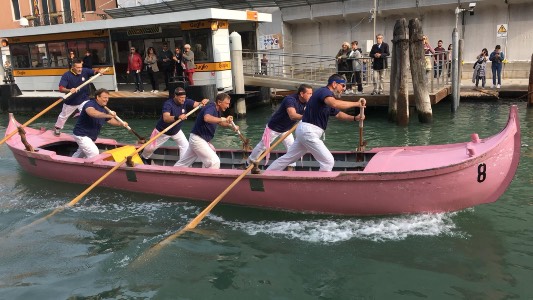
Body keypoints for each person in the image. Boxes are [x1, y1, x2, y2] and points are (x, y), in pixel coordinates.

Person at [266, 74, 366, 172]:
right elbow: (335, 103)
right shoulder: (324, 91)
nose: (344, 88)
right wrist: (357, 104)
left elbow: (338, 114)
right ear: (334, 84)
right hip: (309, 132)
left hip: (305, 131)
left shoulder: (326, 99)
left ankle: (267, 174)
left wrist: (354, 118)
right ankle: (320, 186)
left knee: (289, 158)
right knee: (328, 161)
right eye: (343, 85)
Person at [247, 84, 313, 169]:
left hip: (287, 129)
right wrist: (307, 116)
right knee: (262, 146)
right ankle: (248, 163)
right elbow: (292, 115)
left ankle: (290, 169)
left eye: (312, 94)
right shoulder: (290, 100)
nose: (311, 96)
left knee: (292, 149)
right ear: (302, 94)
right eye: (309, 93)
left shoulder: (308, 102)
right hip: (274, 127)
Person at [141, 87, 209, 163]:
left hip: (176, 130)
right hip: (163, 131)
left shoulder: (186, 101)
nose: (183, 99)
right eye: (181, 98)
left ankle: (182, 164)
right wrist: (177, 117)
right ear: (175, 96)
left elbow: (197, 104)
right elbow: (166, 118)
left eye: (184, 97)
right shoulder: (168, 104)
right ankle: (144, 157)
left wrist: (202, 103)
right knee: (149, 148)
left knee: (185, 145)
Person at [175, 93, 238, 169]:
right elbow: (207, 118)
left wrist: (232, 126)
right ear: (219, 102)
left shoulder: (217, 110)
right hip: (198, 140)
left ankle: (171, 174)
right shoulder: (211, 107)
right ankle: (210, 180)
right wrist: (224, 118)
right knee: (214, 162)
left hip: (198, 139)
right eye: (227, 103)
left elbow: (220, 122)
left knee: (183, 164)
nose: (228, 106)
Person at [72, 88, 128, 159]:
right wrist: (107, 115)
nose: (107, 99)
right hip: (82, 135)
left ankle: (69, 163)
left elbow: (110, 120)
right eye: (104, 97)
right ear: (98, 97)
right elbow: (92, 113)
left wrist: (121, 123)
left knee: (80, 153)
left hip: (91, 136)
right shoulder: (90, 104)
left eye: (108, 98)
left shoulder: (104, 108)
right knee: (94, 153)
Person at [53, 59, 104, 136]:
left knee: (89, 112)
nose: (80, 69)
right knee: (63, 116)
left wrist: (99, 72)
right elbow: (61, 88)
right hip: (71, 101)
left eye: (81, 67)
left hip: (84, 99)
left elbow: (94, 72)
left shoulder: (85, 71)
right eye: (78, 67)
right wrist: (69, 90)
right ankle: (57, 128)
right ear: (73, 67)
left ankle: (86, 127)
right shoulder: (67, 75)